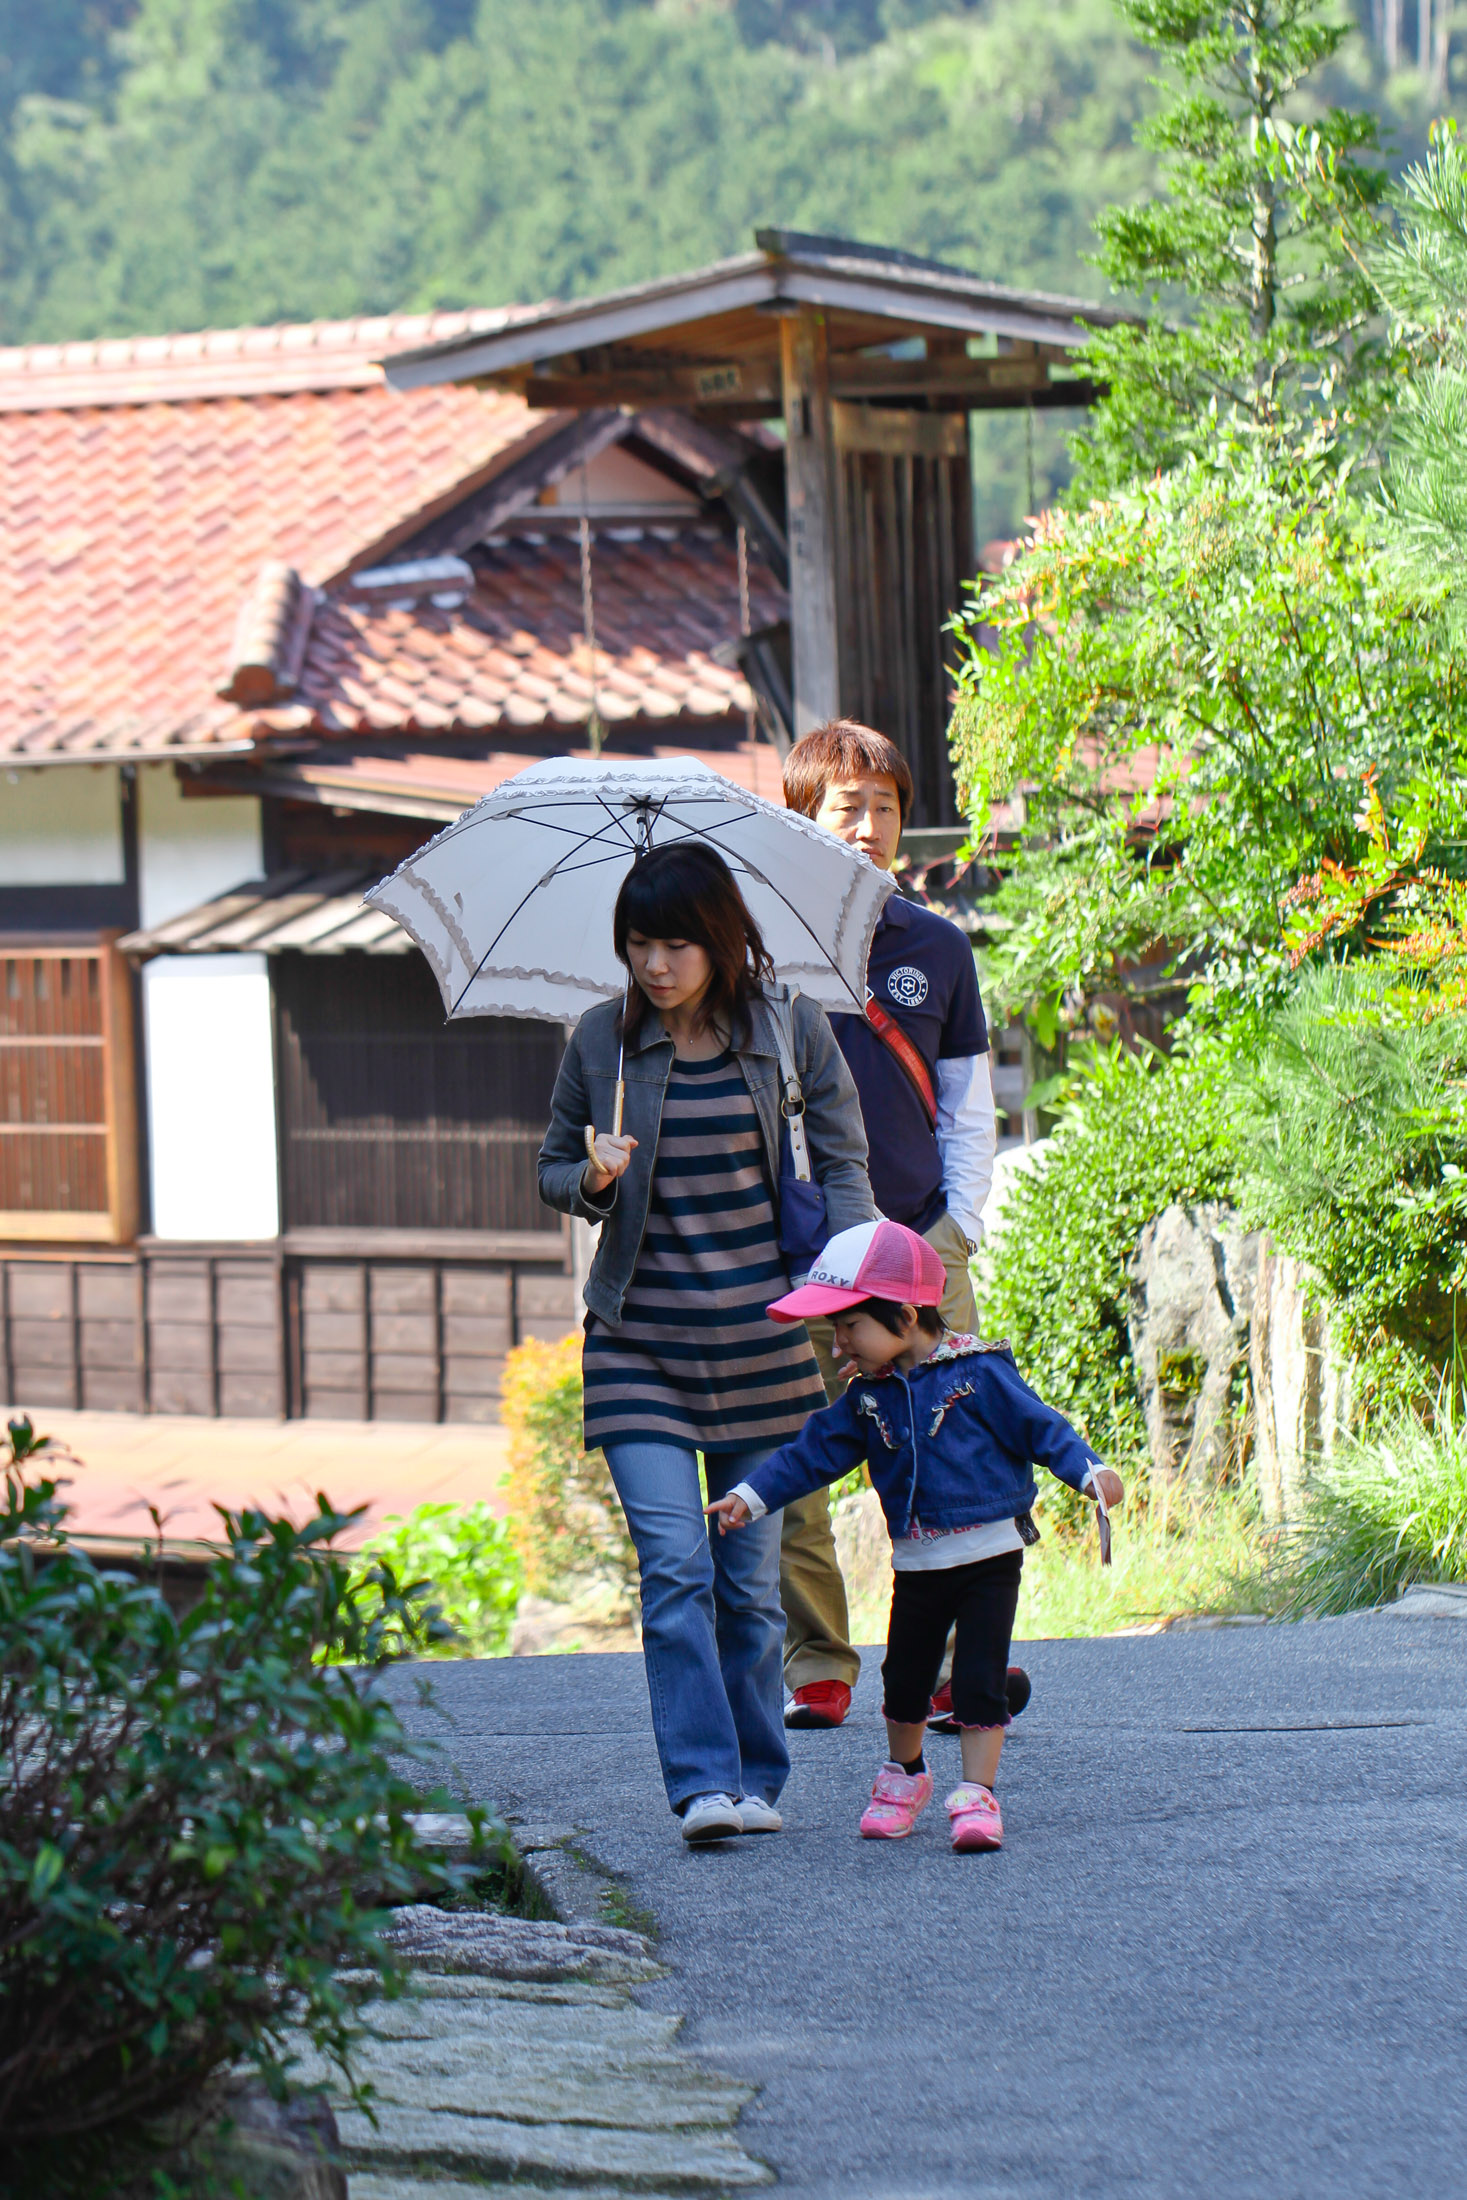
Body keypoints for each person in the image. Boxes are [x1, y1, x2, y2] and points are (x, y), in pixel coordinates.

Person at [537, 842, 874, 1845]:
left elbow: (846, 1163)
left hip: (764, 1348)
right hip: (638, 1342)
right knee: (675, 1562)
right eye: (639, 943)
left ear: (720, 938)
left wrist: (852, 1296)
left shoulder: (789, 1028)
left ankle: (755, 1777)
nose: (655, 964)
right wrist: (591, 1177)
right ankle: (700, 1785)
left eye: (676, 942)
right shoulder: (601, 1041)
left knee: (746, 1581)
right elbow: (553, 1168)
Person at [706, 1218, 1124, 1852]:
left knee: (980, 1679)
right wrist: (751, 1496)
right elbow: (810, 1454)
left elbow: (1042, 1428)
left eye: (849, 1324)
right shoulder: (867, 1399)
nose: (839, 1339)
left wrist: (1089, 1471)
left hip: (989, 1558)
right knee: (904, 1679)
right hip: (919, 1564)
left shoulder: (978, 1374)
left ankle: (979, 1795)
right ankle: (905, 1775)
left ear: (904, 1317)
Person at [778, 720, 997, 1728]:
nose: (865, 827)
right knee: (799, 1457)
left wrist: (960, 1230)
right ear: (802, 818)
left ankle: (953, 1668)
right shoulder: (758, 954)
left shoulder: (938, 946)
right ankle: (818, 1663)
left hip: (918, 1245)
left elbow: (967, 1104)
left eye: (883, 808)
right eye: (844, 807)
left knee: (944, 1456)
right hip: (801, 1247)